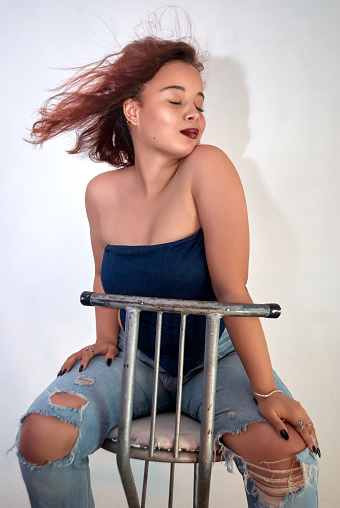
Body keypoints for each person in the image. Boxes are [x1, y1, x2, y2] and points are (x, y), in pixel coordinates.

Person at [16, 35, 319, 508]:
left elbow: (230, 286)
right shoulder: (101, 192)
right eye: (176, 100)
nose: (194, 113)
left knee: (286, 453)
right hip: (140, 356)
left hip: (215, 359)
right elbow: (103, 277)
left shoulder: (207, 166)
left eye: (199, 103)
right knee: (42, 432)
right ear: (132, 111)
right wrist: (106, 340)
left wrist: (265, 391)